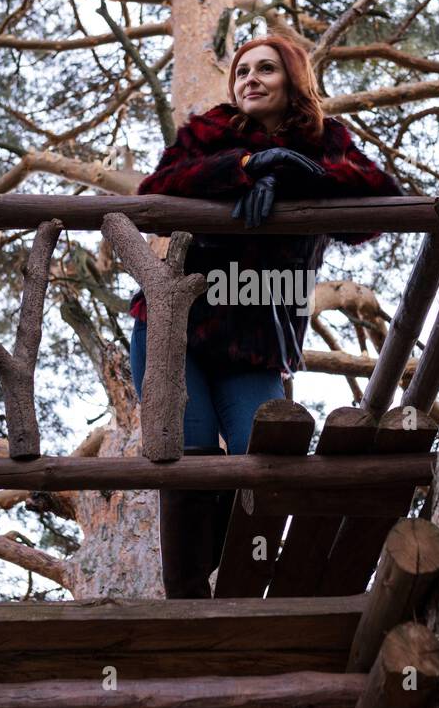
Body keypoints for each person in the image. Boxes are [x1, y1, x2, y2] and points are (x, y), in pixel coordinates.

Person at [127, 35, 404, 598]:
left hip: (256, 339)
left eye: (266, 70)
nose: (250, 79)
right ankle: (188, 603)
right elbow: (154, 194)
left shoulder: (327, 142)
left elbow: (378, 204)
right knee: (190, 455)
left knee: (266, 460)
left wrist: (295, 175)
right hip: (178, 325)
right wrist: (249, 165)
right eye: (242, 71)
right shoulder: (207, 133)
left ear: (293, 80)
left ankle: (242, 587)